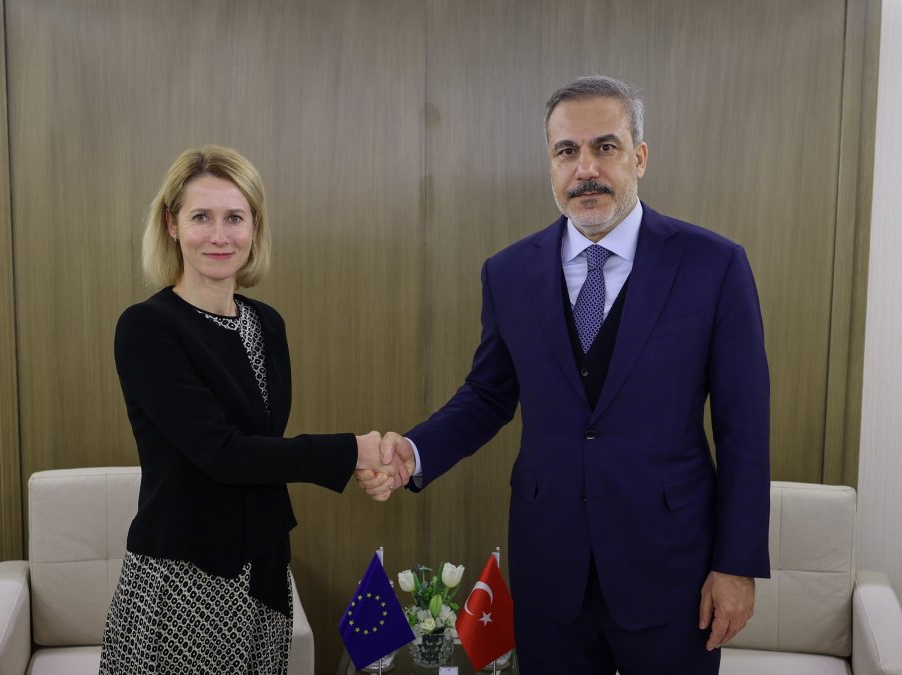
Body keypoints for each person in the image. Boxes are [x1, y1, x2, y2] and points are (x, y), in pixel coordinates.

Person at [358, 76, 771, 674]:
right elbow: (487, 395)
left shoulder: (713, 265)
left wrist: (736, 566)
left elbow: (745, 428)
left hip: (670, 570)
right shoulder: (508, 273)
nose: (585, 169)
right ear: (550, 164)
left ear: (640, 157)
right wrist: (415, 452)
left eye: (605, 147)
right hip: (550, 569)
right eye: (566, 151)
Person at [100, 145, 409, 674]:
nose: (219, 236)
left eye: (234, 218)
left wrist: (361, 459)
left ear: (254, 227)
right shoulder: (147, 328)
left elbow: (262, 447)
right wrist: (353, 451)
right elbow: (224, 454)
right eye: (201, 217)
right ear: (172, 224)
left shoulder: (265, 323)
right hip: (184, 580)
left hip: (263, 573)